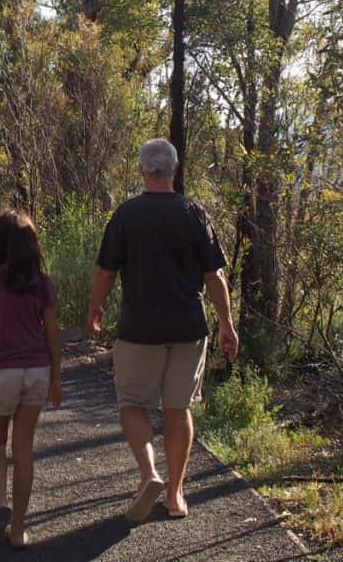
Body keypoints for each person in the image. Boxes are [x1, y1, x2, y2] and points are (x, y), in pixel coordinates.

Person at [86, 138, 239, 522]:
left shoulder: (127, 215)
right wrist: (226, 323)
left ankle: (149, 474)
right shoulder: (194, 213)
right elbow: (214, 276)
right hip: (188, 328)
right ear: (175, 170)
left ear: (142, 170)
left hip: (139, 329)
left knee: (132, 404)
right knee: (177, 408)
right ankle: (174, 495)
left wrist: (94, 307)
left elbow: (106, 273)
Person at [0, 210, 63, 550]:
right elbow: (52, 335)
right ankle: (19, 529)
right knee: (23, 448)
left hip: (0, 372)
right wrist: (56, 378)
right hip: (36, 372)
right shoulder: (42, 283)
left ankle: (1, 506)